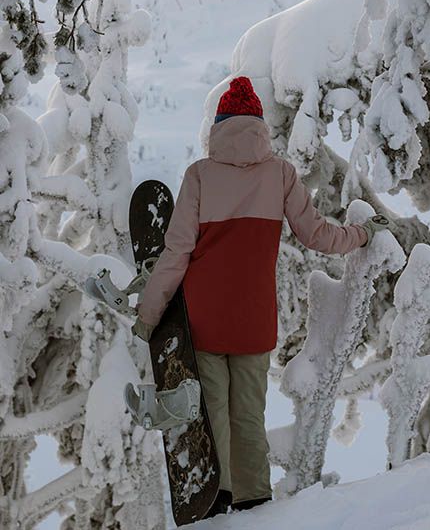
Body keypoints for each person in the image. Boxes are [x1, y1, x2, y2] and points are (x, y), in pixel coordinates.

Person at [132, 76, 388, 516]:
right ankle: (255, 505)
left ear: (220, 127)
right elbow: (318, 236)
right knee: (249, 415)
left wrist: (149, 315)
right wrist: (362, 234)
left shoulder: (199, 176)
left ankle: (217, 503)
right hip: (254, 321)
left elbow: (175, 254)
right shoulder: (281, 174)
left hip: (204, 320)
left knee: (212, 415)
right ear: (258, 127)